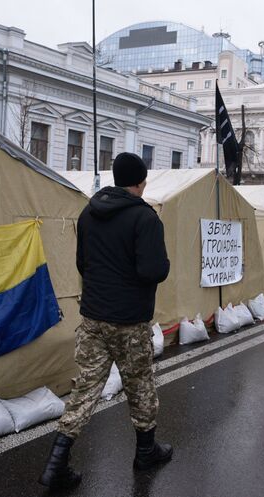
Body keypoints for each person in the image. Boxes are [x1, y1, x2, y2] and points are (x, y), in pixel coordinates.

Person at [38, 152, 171, 489]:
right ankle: (145, 452)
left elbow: (83, 264)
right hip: (129, 320)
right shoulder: (146, 219)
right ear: (140, 181)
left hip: (94, 317)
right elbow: (153, 270)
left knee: (85, 389)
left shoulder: (88, 213)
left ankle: (57, 464)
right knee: (139, 385)